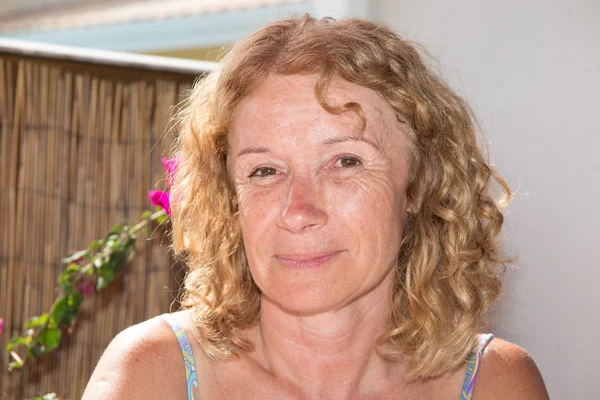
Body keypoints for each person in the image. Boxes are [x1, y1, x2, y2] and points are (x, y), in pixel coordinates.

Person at [82, 15, 549, 399]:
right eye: (264, 170)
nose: (299, 211)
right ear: (229, 197)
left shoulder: (495, 382)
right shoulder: (151, 375)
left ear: (418, 184)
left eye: (346, 161)